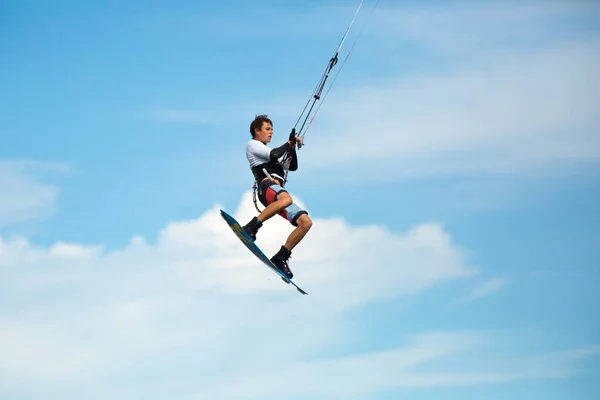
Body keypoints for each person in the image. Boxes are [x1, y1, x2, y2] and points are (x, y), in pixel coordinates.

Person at [242, 114, 313, 279]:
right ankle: (252, 226)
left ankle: (281, 256)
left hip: (278, 194)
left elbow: (293, 166)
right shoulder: (252, 145)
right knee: (286, 199)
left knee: (305, 223)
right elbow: (274, 154)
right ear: (256, 131)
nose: (271, 132)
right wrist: (288, 144)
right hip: (266, 188)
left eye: (272, 129)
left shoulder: (269, 153)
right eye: (267, 129)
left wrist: (292, 147)